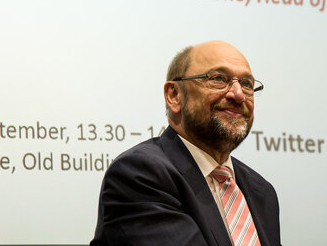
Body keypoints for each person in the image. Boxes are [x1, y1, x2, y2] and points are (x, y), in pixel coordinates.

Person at [90, 40, 281, 246]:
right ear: (174, 95)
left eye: (246, 84)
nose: (238, 94)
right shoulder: (141, 174)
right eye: (218, 78)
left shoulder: (261, 191)